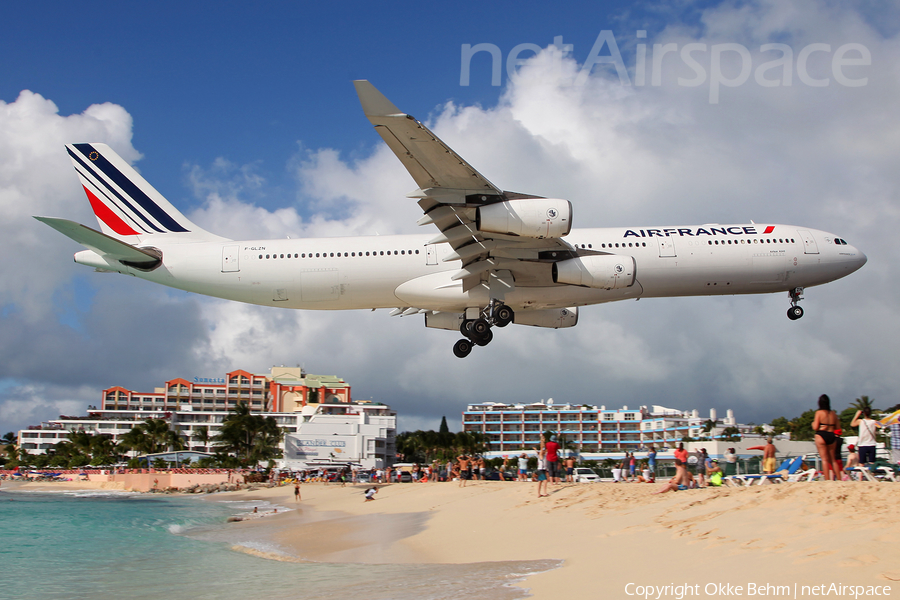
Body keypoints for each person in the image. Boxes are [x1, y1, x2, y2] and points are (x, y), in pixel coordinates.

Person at [812, 394, 839, 480]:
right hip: (831, 435)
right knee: (833, 460)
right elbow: (838, 428)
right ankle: (839, 478)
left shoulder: (819, 413)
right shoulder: (833, 414)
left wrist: (813, 424)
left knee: (824, 460)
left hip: (821, 434)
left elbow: (816, 427)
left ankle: (827, 480)